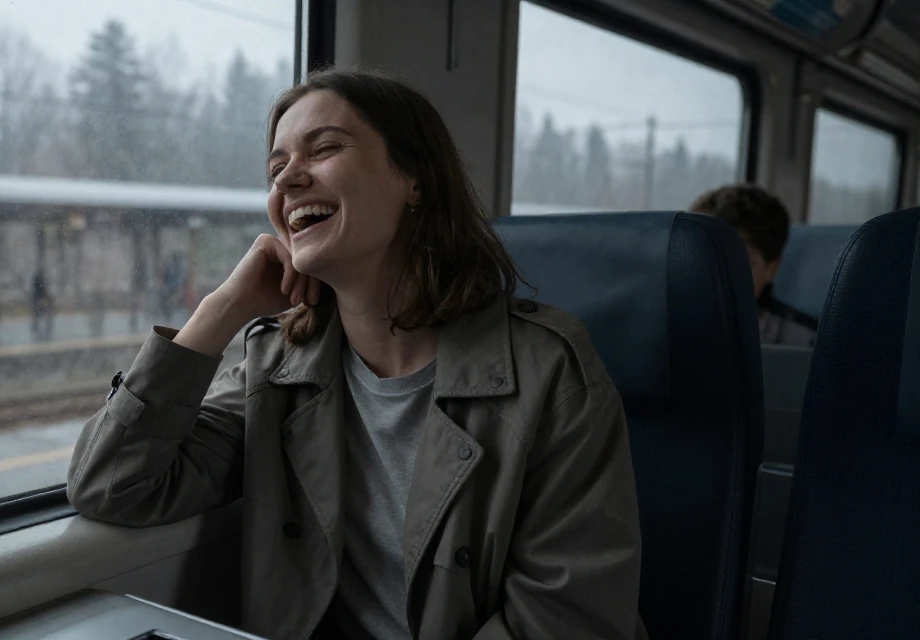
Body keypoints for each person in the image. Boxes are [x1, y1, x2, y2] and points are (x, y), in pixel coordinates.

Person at [67, 69, 644, 640]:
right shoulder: (278, 367)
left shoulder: (550, 371)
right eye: (275, 169)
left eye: (324, 148)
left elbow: (566, 620)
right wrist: (221, 309)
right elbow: (114, 486)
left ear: (414, 178)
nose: (288, 179)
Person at [689, 184, 818, 347]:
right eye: (701, 258)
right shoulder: (665, 326)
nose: (715, 277)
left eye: (737, 265)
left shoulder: (808, 343)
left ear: (770, 269)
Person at [31, 269, 54, 340]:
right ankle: (40, 327)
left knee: (38, 315)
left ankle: (38, 327)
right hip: (40, 298)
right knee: (41, 314)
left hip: (38, 298)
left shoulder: (37, 284)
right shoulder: (40, 284)